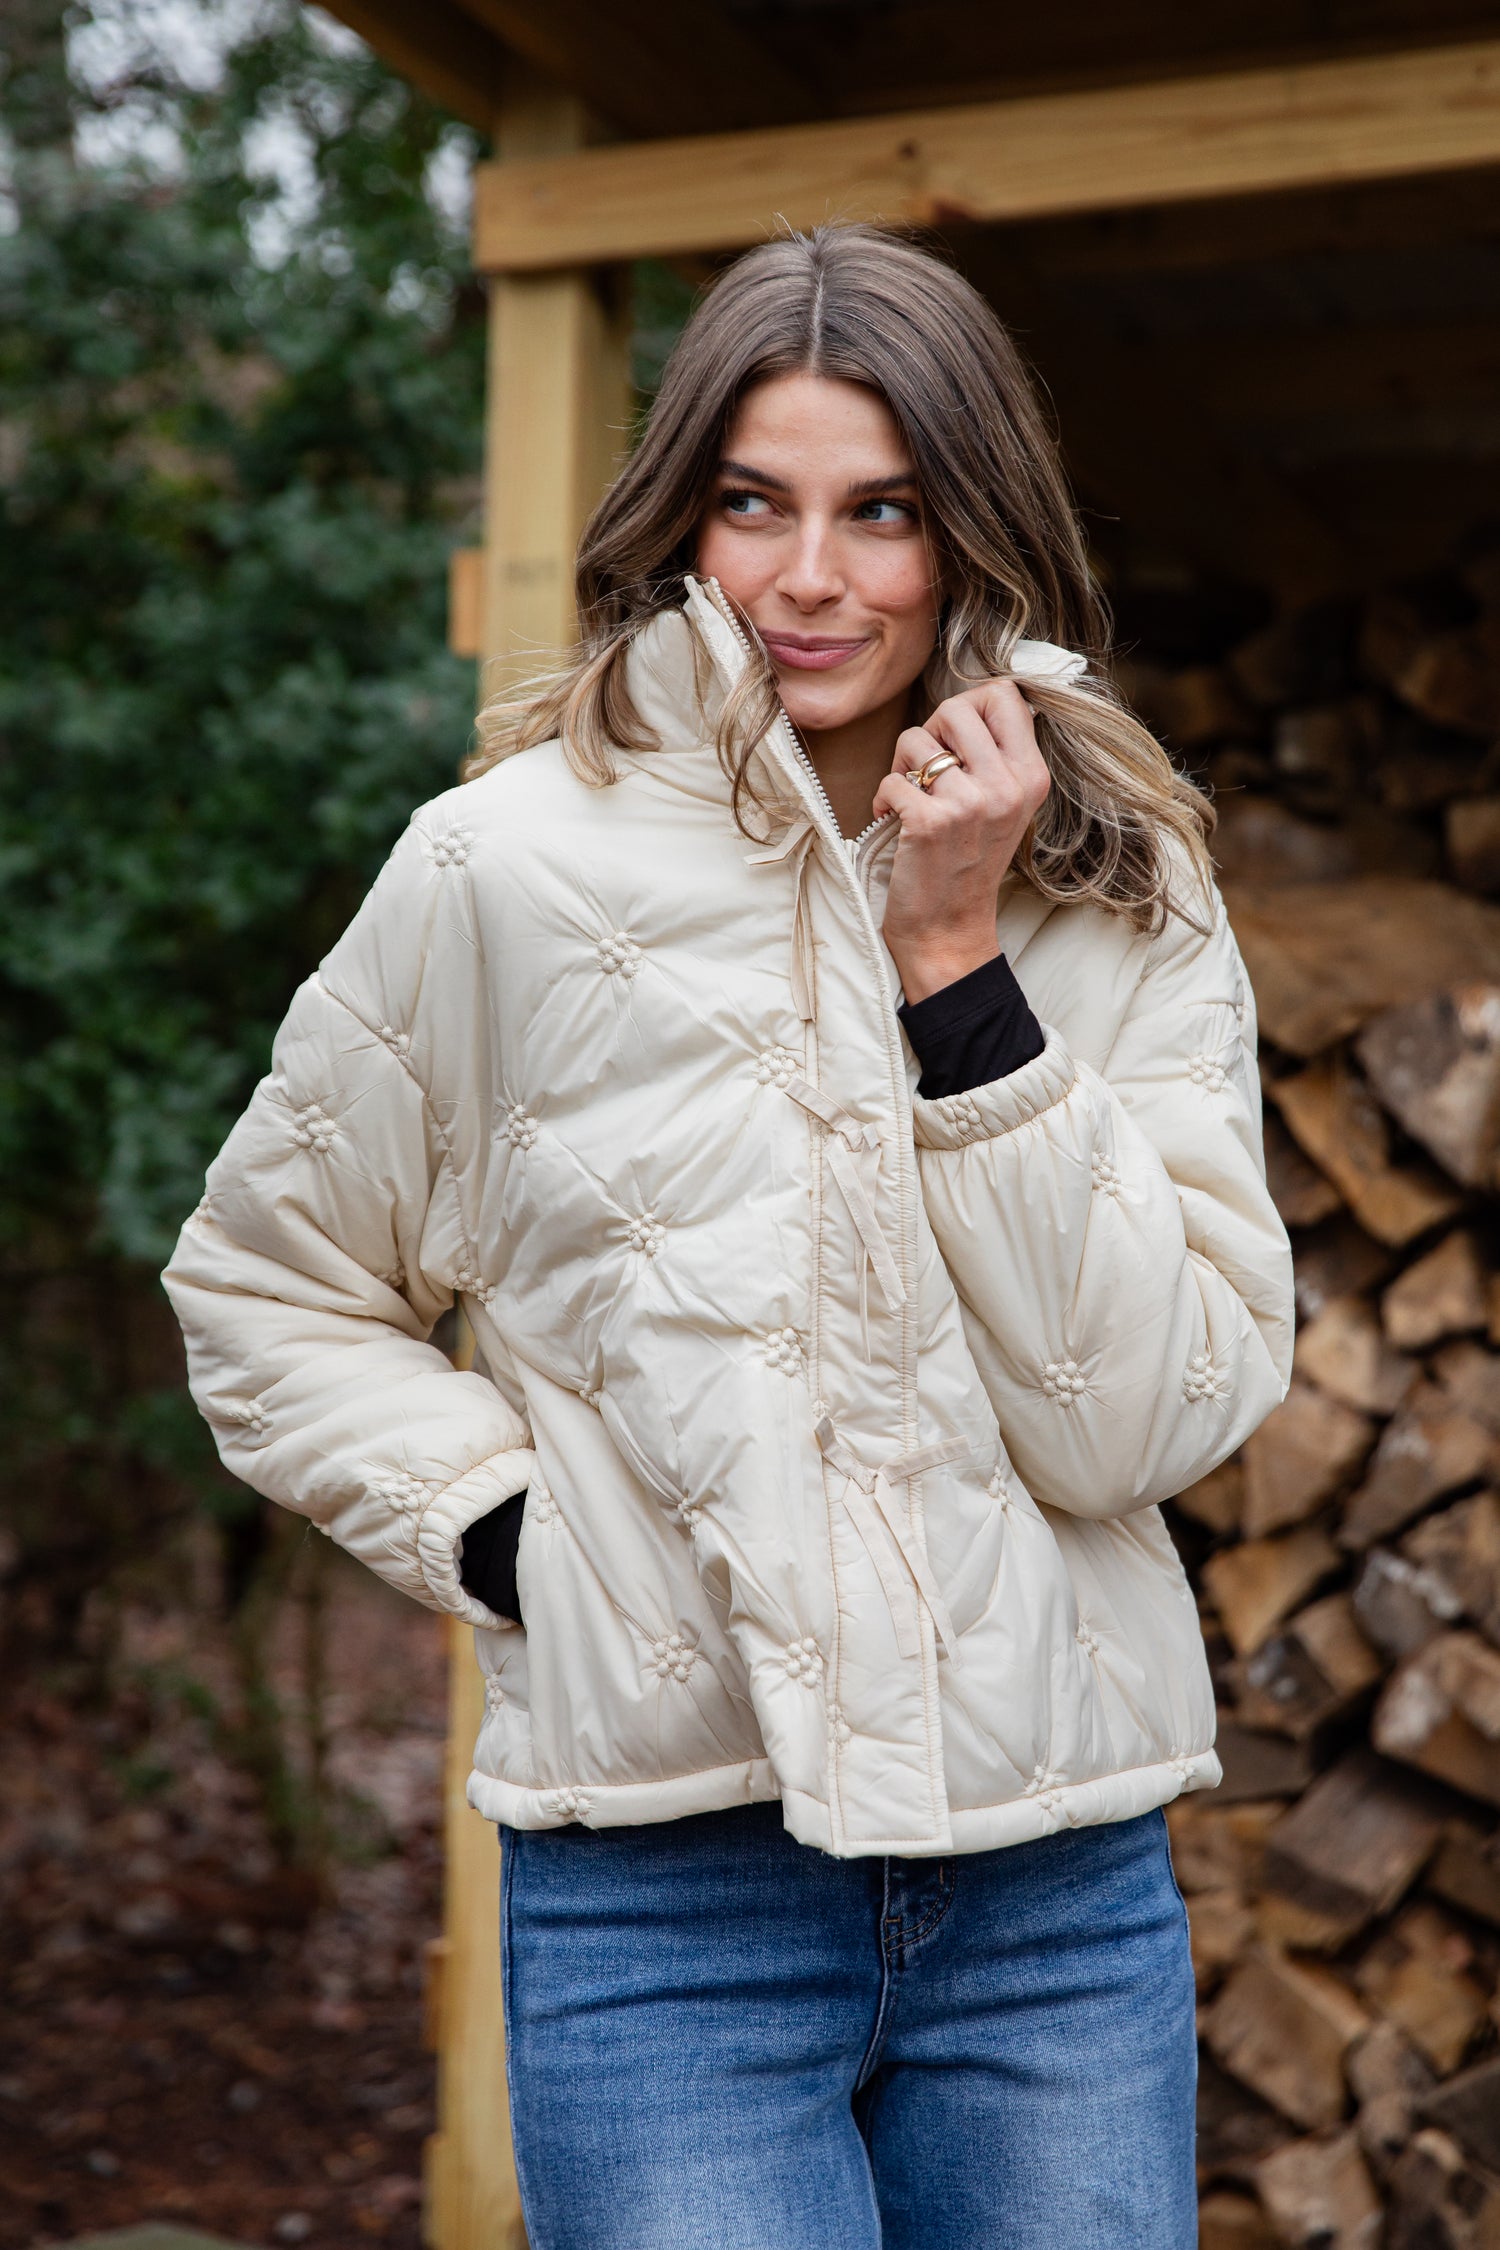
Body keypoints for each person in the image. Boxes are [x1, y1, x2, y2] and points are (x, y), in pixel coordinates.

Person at [165, 223, 1294, 2249]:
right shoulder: (497, 872)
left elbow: (1149, 1418)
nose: (810, 577)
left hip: (1054, 1897)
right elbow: (266, 1285)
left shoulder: (1118, 877)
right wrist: (523, 1546)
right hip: (660, 1909)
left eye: (884, 512)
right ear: (681, 512)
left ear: (968, 536)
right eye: (755, 502)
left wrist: (960, 968)